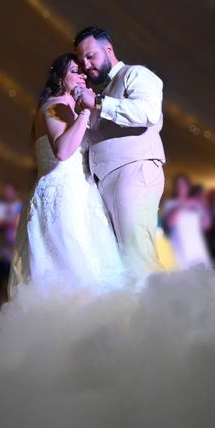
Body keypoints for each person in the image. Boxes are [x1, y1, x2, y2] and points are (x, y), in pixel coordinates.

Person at [9, 53, 125, 296]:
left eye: (84, 71)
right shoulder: (53, 106)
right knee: (71, 266)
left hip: (83, 194)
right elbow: (62, 151)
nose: (83, 75)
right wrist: (83, 113)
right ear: (59, 77)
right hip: (61, 196)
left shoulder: (70, 106)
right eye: (75, 71)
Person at [74, 26, 166, 284]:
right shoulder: (100, 92)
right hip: (107, 180)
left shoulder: (135, 74)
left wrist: (100, 104)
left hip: (134, 171)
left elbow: (147, 113)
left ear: (108, 49)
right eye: (81, 60)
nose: (86, 64)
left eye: (90, 56)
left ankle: (165, 319)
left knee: (138, 255)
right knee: (122, 261)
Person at [0, 183, 22, 316]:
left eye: (10, 191)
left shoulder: (19, 207)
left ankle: (10, 316)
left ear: (15, 192)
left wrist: (4, 222)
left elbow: (17, 225)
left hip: (12, 254)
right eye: (5, 190)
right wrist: (7, 222)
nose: (6, 193)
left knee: (11, 287)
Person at [163, 174, 212, 269]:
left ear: (188, 186)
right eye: (178, 185)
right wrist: (184, 204)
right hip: (179, 246)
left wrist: (204, 207)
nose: (181, 187)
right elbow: (170, 223)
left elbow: (206, 225)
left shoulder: (196, 204)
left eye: (183, 184)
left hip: (196, 245)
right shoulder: (170, 204)